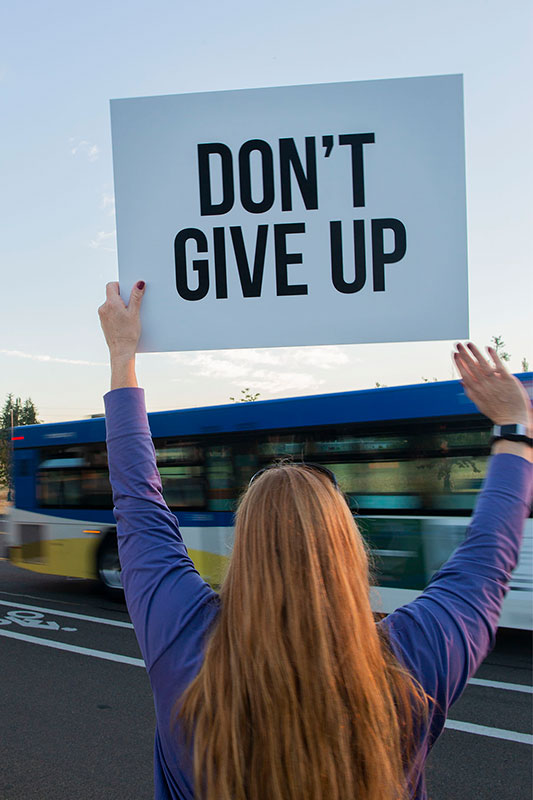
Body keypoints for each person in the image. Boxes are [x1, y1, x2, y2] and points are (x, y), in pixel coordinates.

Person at [98, 280, 532, 800]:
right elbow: (488, 561)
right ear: (346, 548)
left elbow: (139, 506)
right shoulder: (415, 661)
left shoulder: (185, 642)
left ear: (246, 551)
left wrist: (123, 354)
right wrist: (514, 424)